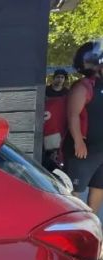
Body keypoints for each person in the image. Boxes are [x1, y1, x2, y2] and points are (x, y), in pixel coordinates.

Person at [64, 40, 103, 211]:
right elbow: (73, 115)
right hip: (83, 149)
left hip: (100, 150)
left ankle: (92, 221)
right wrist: (78, 141)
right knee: (74, 190)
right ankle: (74, 220)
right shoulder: (83, 87)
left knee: (99, 186)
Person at [43, 69, 71, 171]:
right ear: (54, 78)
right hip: (47, 124)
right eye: (58, 77)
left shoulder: (67, 93)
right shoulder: (45, 90)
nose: (60, 79)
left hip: (61, 125)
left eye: (62, 77)